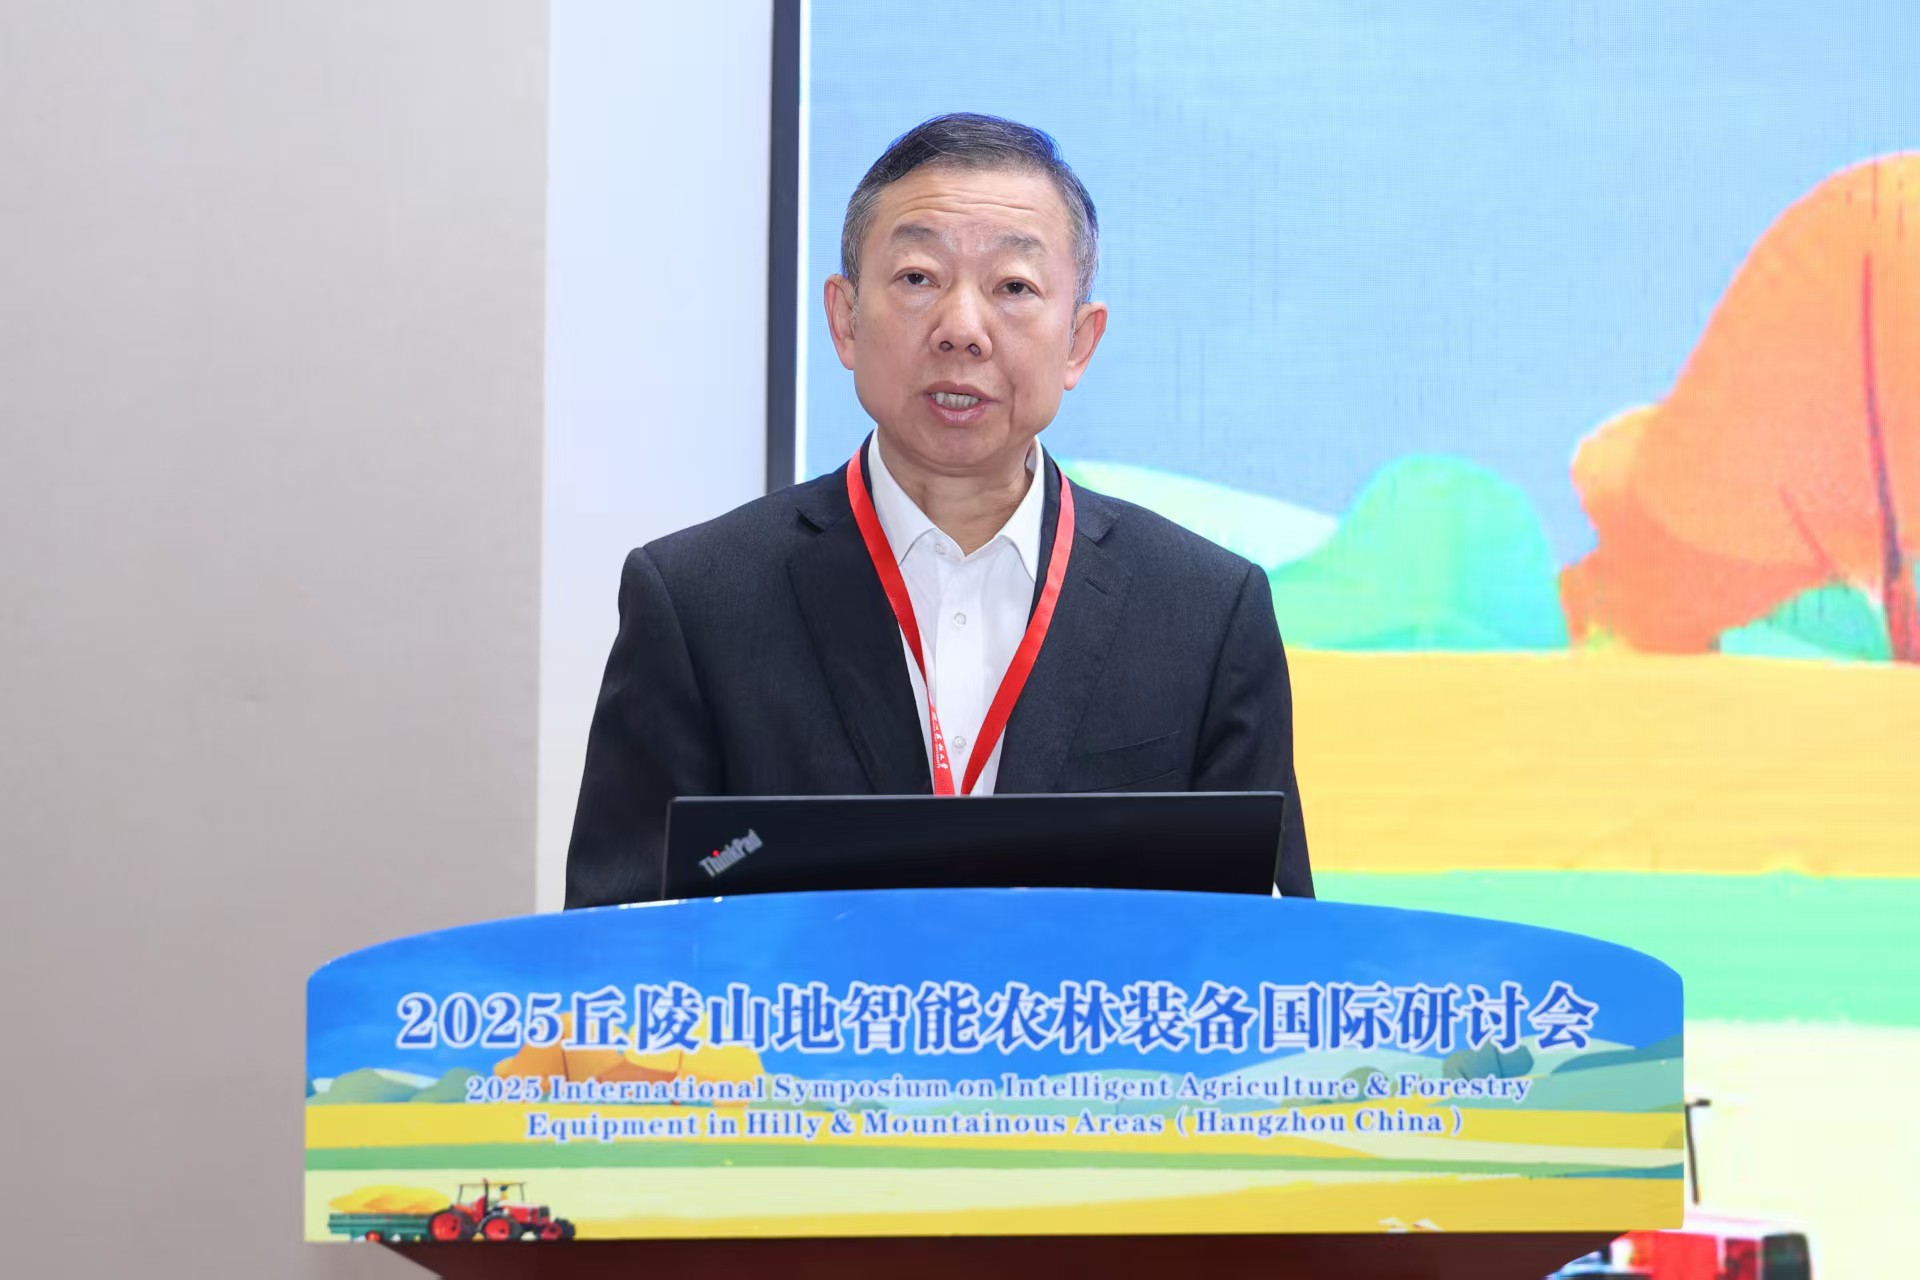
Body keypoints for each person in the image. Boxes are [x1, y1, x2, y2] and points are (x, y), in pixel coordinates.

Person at [566, 113, 1312, 908]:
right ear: (845, 320)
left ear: (1079, 342)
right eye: (919, 278)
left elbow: (1270, 950)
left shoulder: (1205, 611)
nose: (962, 329)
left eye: (1014, 287)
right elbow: (616, 941)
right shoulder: (698, 602)